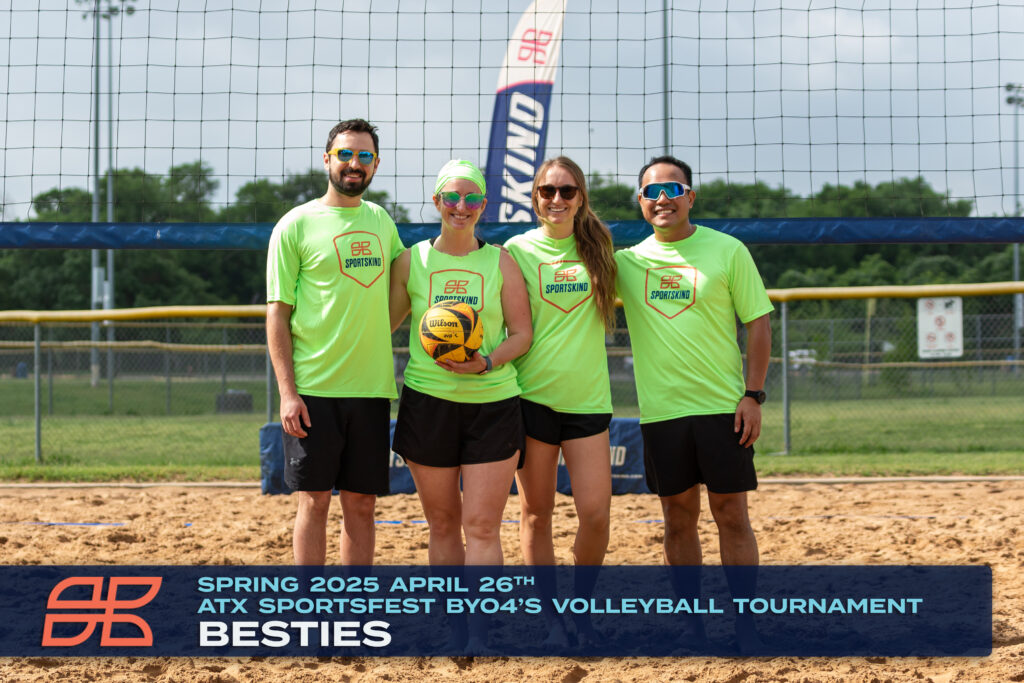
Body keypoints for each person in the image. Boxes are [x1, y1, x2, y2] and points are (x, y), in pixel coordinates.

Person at [614, 155, 773, 649]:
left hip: (723, 409)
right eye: (652, 192)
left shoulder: (727, 249)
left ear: (690, 196)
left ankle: (745, 624)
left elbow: (758, 323)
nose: (662, 199)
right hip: (662, 413)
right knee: (678, 520)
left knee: (731, 515)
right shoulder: (627, 262)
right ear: (641, 202)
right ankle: (692, 624)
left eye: (673, 189)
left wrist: (753, 395)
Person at [266, 118, 405, 566]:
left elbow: (404, 287)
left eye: (364, 156)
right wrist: (288, 393)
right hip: (314, 390)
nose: (354, 163)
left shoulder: (381, 221)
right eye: (345, 154)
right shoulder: (295, 224)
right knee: (315, 501)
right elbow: (277, 314)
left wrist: (374, 332)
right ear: (327, 159)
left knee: (362, 506)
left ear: (376, 164)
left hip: (370, 388)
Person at [388, 159, 532, 571]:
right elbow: (383, 327)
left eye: (472, 198)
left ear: (483, 205)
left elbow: (522, 334)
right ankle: (453, 614)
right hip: (428, 402)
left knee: (483, 527)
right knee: (443, 524)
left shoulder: (501, 261)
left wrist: (486, 362)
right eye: (451, 197)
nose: (461, 206)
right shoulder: (411, 261)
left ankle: (480, 618)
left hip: (493, 404)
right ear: (437, 201)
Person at [503, 157, 616, 644]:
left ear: (580, 197)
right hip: (532, 399)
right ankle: (553, 622)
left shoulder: (600, 249)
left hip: (587, 400)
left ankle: (582, 610)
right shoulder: (515, 250)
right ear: (534, 197)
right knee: (536, 514)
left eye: (567, 191)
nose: (556, 199)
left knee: (596, 514)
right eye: (547, 191)